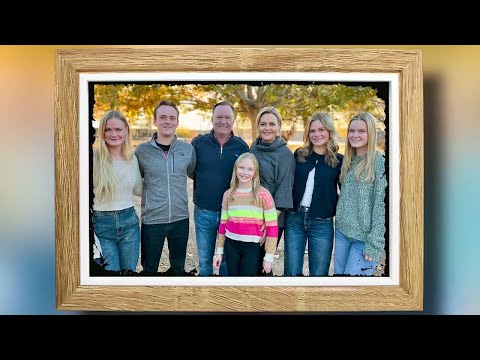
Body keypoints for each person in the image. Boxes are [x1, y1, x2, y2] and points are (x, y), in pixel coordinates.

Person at [135, 100, 196, 275]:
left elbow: (193, 173)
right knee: (149, 269)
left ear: (177, 122)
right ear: (155, 121)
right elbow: (136, 180)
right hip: (152, 220)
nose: (167, 121)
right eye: (162, 117)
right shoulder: (142, 151)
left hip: (180, 219)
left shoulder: (187, 149)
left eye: (172, 118)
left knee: (178, 269)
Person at [191, 101, 249, 276]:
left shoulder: (242, 147)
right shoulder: (198, 144)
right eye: (219, 117)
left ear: (233, 120)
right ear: (212, 119)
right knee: (205, 259)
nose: (223, 121)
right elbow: (192, 171)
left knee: (226, 261)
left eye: (227, 117)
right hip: (204, 211)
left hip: (231, 213)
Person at [284, 112, 343, 276]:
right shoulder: (299, 155)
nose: (316, 134)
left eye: (321, 130)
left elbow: (345, 193)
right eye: (312, 131)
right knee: (291, 273)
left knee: (319, 274)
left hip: (322, 224)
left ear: (329, 132)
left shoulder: (339, 161)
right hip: (295, 219)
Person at [334, 112, 387, 276]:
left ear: (370, 133)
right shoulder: (347, 161)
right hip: (342, 233)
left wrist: (374, 242)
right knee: (339, 286)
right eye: (352, 131)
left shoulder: (380, 163)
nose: (355, 135)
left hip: (364, 240)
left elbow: (382, 205)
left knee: (352, 292)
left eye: (361, 131)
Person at [92, 110, 143, 273]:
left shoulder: (132, 158)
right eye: (108, 130)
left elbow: (138, 190)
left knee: (129, 276)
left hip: (129, 223)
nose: (113, 134)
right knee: (109, 279)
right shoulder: (92, 158)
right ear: (102, 133)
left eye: (118, 129)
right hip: (101, 225)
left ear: (126, 130)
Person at [213, 153, 278, 276]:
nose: (245, 172)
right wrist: (219, 252)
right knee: (233, 280)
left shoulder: (263, 195)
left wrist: (268, 258)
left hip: (253, 247)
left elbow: (272, 228)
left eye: (250, 169)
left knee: (248, 281)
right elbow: (223, 224)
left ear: (255, 173)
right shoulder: (228, 194)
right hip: (231, 245)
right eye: (241, 168)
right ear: (236, 169)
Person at [249, 106, 295, 276]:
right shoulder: (253, 148)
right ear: (258, 126)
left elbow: (284, 191)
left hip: (272, 218)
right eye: (263, 124)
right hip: (251, 215)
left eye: (271, 124)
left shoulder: (285, 155)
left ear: (278, 127)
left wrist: (266, 224)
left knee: (263, 263)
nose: (267, 128)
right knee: (249, 261)